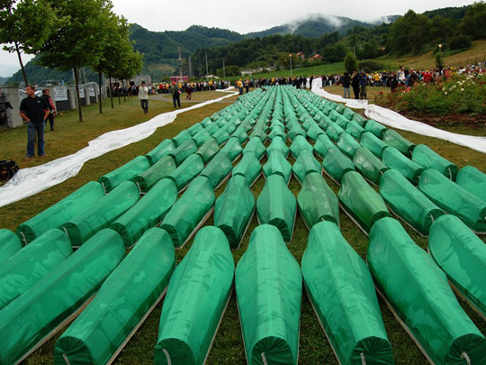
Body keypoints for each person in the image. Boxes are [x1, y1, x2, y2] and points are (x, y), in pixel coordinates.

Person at [19, 85, 49, 158]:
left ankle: (41, 153)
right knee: (31, 139)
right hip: (31, 123)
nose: (27, 91)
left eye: (29, 89)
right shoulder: (25, 101)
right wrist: (27, 119)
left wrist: (44, 118)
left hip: (40, 122)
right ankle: (30, 154)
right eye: (26, 90)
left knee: (41, 139)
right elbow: (21, 112)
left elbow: (47, 110)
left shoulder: (40, 99)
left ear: (33, 90)